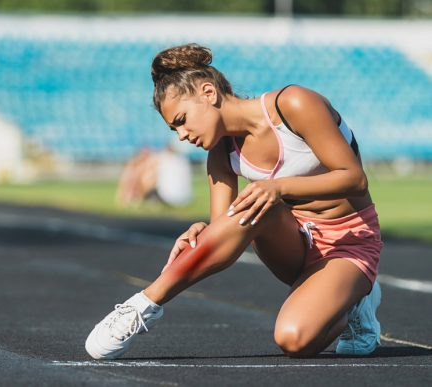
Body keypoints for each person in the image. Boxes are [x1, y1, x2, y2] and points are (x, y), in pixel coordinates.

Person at [85, 43, 384, 359]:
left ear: (208, 93)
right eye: (175, 129)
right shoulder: (219, 156)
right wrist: (202, 232)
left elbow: (354, 178)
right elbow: (226, 228)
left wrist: (278, 188)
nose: (182, 136)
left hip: (349, 242)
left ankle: (354, 300)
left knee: (293, 340)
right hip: (293, 245)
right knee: (252, 207)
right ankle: (141, 306)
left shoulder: (293, 103)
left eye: (182, 120)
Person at [115, 144, 192, 208]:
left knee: (147, 177)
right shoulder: (182, 160)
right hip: (187, 199)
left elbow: (133, 172)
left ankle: (136, 198)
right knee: (146, 176)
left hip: (168, 197)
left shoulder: (160, 159)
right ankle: (135, 197)